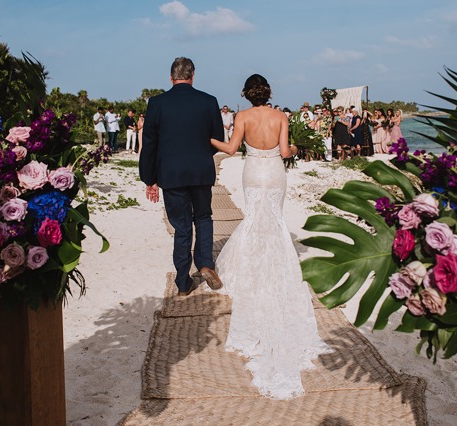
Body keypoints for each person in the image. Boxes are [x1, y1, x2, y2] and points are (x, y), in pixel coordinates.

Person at [209, 74, 331, 400]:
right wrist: (294, 147)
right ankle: (274, 266)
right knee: (275, 220)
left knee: (253, 219)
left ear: (247, 94)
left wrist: (209, 140)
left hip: (253, 171)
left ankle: (250, 268)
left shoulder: (242, 117)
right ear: (268, 93)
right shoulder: (281, 116)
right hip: (275, 171)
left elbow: (232, 149)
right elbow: (285, 152)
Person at [139, 57, 224, 296]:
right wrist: (200, 155)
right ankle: (206, 263)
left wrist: (150, 179)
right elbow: (216, 138)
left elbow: (150, 144)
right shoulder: (208, 101)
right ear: (192, 75)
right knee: (204, 218)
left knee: (182, 227)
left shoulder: (157, 103)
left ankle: (183, 282)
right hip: (201, 172)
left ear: (171, 77)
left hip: (171, 174)